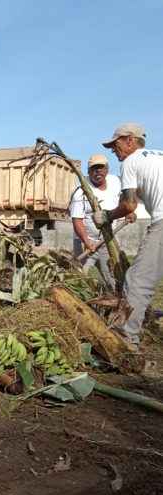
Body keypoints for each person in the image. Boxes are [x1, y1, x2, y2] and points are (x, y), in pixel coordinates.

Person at [95, 122, 163, 346]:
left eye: (115, 145)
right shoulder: (158, 156)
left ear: (130, 140)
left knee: (137, 281)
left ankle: (125, 342)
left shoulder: (132, 161)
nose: (113, 151)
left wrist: (107, 217)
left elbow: (129, 205)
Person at [69, 154, 121, 289]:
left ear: (107, 169)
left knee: (112, 278)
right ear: (88, 172)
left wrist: (129, 212)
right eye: (93, 169)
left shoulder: (115, 182)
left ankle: (114, 298)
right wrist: (86, 241)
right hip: (85, 243)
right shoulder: (81, 192)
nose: (97, 171)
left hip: (108, 241)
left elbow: (123, 201)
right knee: (78, 278)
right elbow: (77, 220)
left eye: (101, 168)